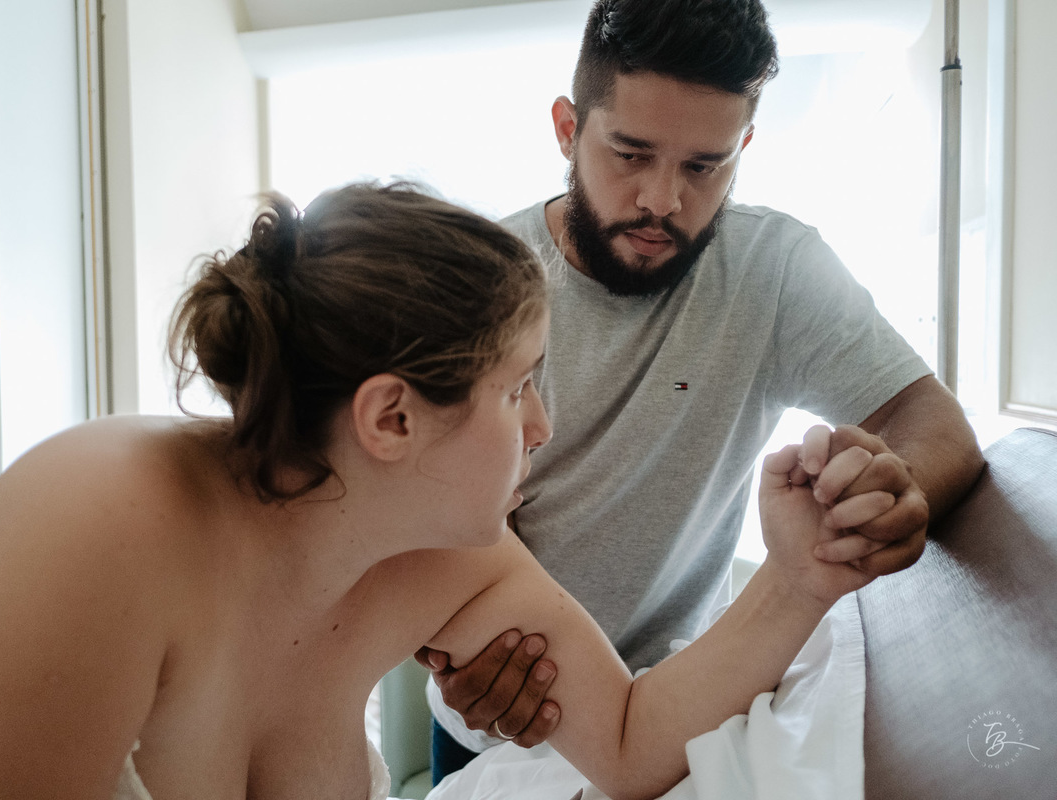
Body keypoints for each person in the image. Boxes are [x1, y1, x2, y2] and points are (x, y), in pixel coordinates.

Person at [0, 181, 902, 800]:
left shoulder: (442, 557)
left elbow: (628, 741)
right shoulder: (98, 522)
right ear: (391, 419)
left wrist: (799, 578)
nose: (542, 426)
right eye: (518, 387)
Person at [420, 0, 985, 777]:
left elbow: (936, 423)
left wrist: (891, 491)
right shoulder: (483, 283)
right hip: (496, 723)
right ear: (567, 129)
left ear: (744, 147)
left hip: (688, 707)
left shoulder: (775, 270)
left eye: (703, 166)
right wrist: (455, 627)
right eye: (630, 154)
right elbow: (432, 525)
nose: (662, 200)